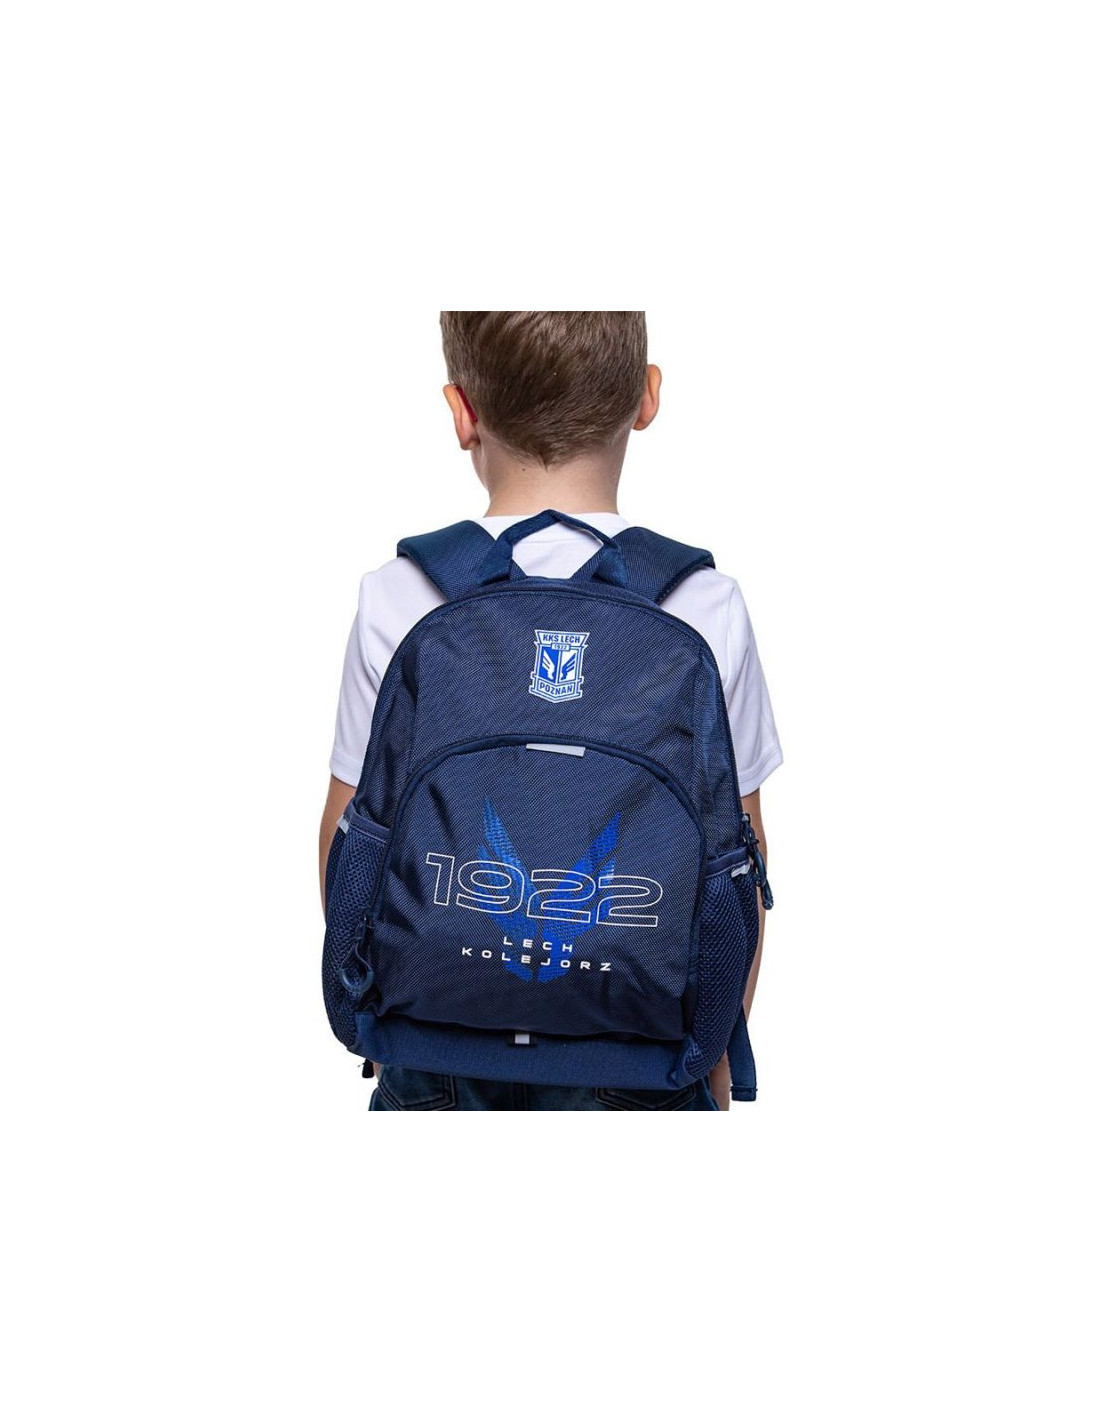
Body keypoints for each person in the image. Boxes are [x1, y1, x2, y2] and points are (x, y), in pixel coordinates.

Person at [319, 311, 782, 1111]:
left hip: (435, 1050)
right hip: (643, 1058)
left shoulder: (400, 594)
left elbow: (347, 835)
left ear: (462, 413)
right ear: (647, 398)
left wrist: (385, 999)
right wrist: (715, 1040)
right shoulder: (704, 605)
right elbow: (739, 851)